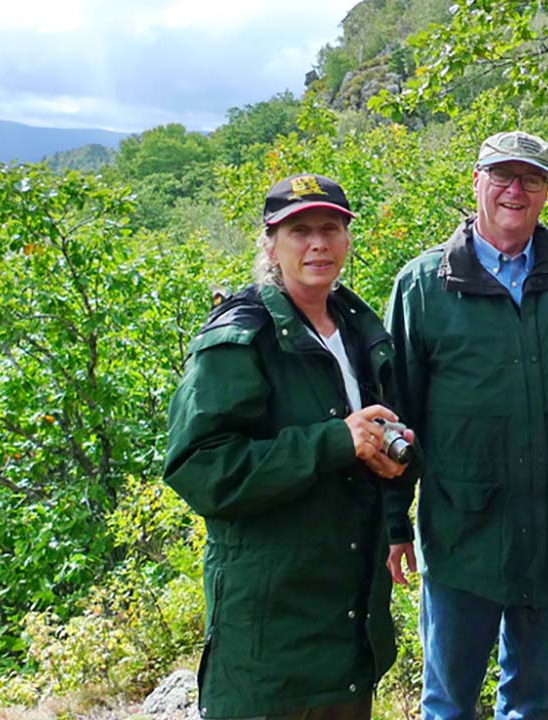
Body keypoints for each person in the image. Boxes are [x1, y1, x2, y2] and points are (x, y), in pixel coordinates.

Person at [382, 130, 548, 720]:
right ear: (477, 182)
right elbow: (396, 417)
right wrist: (393, 522)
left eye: (532, 178)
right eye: (502, 176)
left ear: (546, 192)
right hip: (461, 528)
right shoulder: (423, 284)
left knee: (534, 701)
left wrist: (538, 438)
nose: (516, 189)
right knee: (448, 702)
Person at [162, 174, 412, 720]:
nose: (317, 244)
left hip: (348, 631)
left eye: (330, 228)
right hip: (269, 640)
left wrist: (384, 455)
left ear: (347, 239)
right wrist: (334, 442)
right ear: (271, 245)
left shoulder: (356, 328)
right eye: (299, 231)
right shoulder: (240, 336)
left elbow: (361, 438)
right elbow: (199, 467)